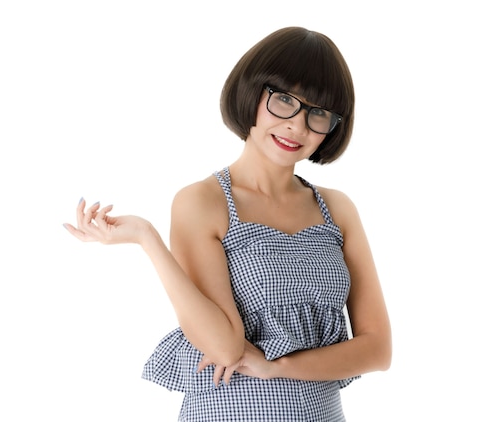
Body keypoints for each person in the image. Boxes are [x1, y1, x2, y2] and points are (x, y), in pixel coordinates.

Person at [63, 26, 391, 421]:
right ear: (253, 93)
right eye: (284, 100)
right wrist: (147, 239)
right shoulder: (203, 202)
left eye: (318, 112)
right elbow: (224, 348)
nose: (297, 126)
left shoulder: (337, 209)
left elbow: (378, 349)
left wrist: (278, 366)